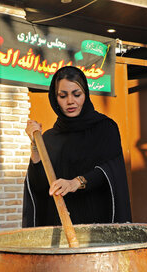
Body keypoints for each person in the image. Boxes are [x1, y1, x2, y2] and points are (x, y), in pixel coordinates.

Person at [22, 66, 132, 228]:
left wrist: (76, 183)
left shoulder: (105, 128)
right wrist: (35, 146)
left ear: (85, 94)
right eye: (62, 95)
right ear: (55, 98)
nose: (70, 101)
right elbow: (40, 186)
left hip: (97, 227)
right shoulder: (50, 138)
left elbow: (110, 170)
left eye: (76, 94)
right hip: (60, 228)